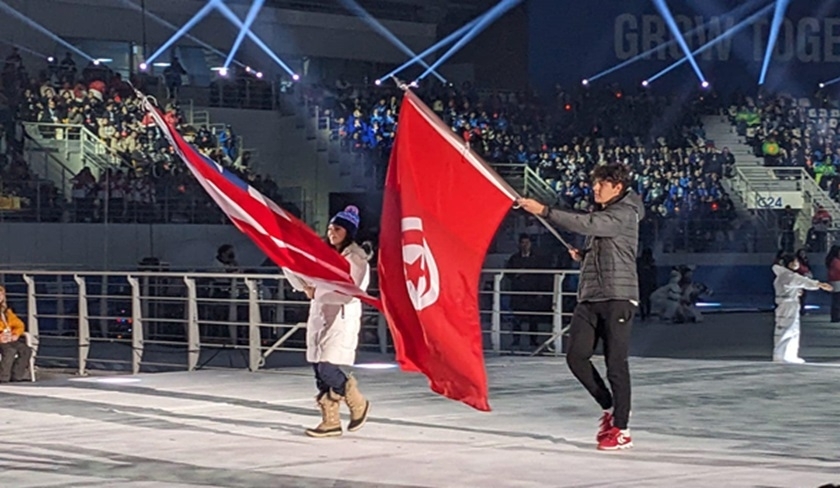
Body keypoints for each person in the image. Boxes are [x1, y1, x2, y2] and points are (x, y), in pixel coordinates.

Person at [518, 162, 643, 451]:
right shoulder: (603, 213)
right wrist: (585, 254)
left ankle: (621, 428)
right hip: (591, 296)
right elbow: (601, 240)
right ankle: (610, 407)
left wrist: (545, 211)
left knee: (615, 364)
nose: (595, 188)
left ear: (618, 187)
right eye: (595, 183)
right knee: (576, 356)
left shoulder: (625, 212)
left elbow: (590, 225)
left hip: (618, 296)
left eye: (601, 184)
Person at [284, 206, 371, 438]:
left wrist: (317, 289)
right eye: (330, 228)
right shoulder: (322, 254)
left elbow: (351, 290)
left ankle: (356, 399)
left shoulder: (356, 258)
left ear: (348, 232)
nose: (332, 232)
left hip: (341, 317)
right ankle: (330, 421)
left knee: (328, 366)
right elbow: (302, 274)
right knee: (317, 368)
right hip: (320, 314)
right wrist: (304, 284)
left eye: (338, 229)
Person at [772, 254, 832, 364]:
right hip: (788, 305)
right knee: (789, 329)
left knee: (786, 329)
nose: (797, 264)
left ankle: (784, 354)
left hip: (785, 304)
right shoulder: (788, 276)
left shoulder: (782, 275)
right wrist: (819, 284)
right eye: (795, 262)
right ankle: (786, 355)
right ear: (790, 264)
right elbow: (803, 281)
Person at [505, 234, 550, 349]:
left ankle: (533, 340)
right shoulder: (514, 258)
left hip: (532, 291)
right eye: (523, 243)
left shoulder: (537, 259)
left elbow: (542, 276)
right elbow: (507, 273)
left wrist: (541, 291)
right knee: (517, 318)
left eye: (527, 243)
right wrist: (516, 274)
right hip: (518, 291)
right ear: (519, 244)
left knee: (533, 318)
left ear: (531, 244)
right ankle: (516, 340)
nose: (525, 245)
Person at [0, 285, 33, 383]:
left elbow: (19, 325)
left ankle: (17, 376)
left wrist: (16, 334)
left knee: (26, 350)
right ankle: (3, 377)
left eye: (1, 295)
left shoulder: (6, 312)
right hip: (1, 339)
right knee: (9, 351)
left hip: (8, 338)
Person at [636, 248, 657, 320]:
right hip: (647, 283)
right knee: (647, 299)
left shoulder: (639, 261)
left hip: (641, 282)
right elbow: (654, 273)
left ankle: (644, 315)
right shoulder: (651, 261)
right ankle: (647, 314)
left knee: (643, 299)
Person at [825, 245, 840, 323]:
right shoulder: (836, 261)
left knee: (836, 300)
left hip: (834, 282)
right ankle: (835, 316)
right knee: (837, 300)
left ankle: (835, 316)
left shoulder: (832, 261)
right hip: (837, 282)